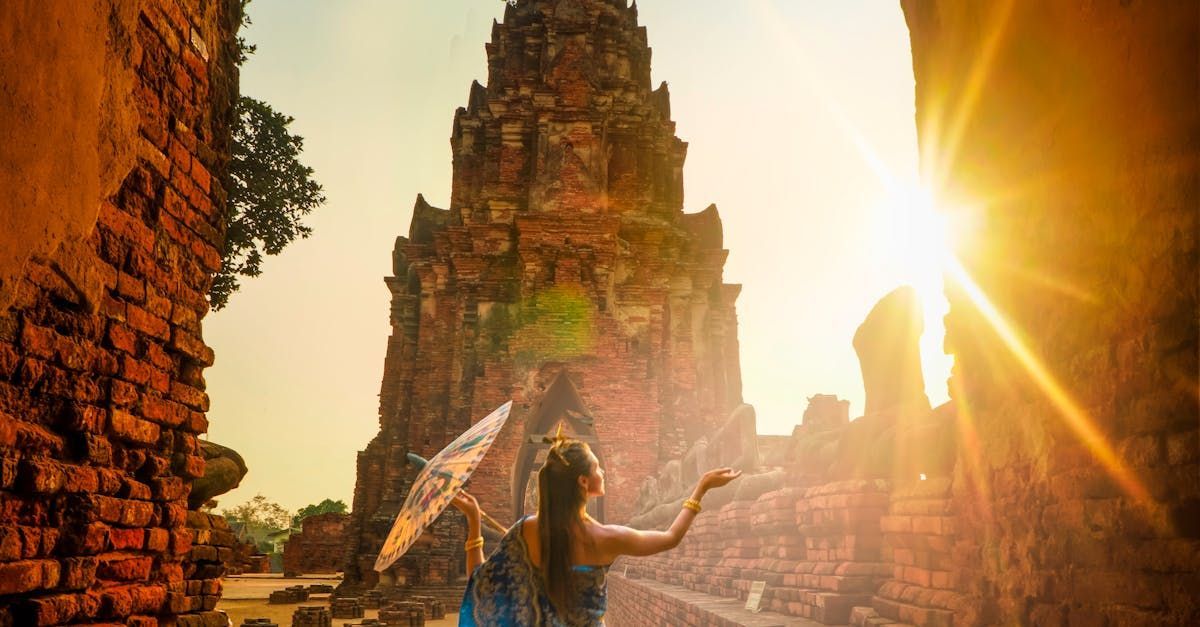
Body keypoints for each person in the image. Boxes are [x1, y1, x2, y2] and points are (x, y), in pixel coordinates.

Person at [451, 431, 742, 626]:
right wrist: (700, 488)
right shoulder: (607, 538)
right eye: (598, 467)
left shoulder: (525, 530)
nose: (602, 471)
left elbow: (479, 589)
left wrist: (474, 522)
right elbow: (670, 538)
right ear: (583, 481)